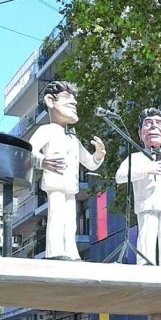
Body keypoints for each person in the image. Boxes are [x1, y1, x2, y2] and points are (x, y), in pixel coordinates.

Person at [28, 81, 105, 260]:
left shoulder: (72, 138)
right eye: (66, 97)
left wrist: (99, 155)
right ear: (50, 100)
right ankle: (54, 251)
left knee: (70, 222)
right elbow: (27, 151)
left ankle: (71, 251)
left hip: (70, 185)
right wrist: (42, 161)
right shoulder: (46, 130)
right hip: (55, 183)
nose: (74, 102)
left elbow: (90, 163)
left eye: (74, 98)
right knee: (56, 216)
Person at [115, 107, 161, 266]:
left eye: (159, 123)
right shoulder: (136, 157)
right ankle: (145, 263)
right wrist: (146, 170)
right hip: (146, 205)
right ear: (140, 133)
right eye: (148, 123)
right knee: (147, 233)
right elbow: (119, 177)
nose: (154, 127)